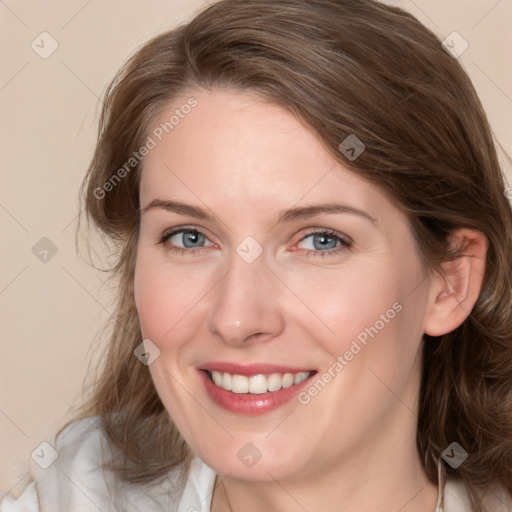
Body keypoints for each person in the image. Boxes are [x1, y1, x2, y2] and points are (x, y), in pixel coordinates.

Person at [2, 0, 512, 510]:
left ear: (450, 282)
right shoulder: (73, 491)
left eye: (320, 240)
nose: (237, 318)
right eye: (189, 237)